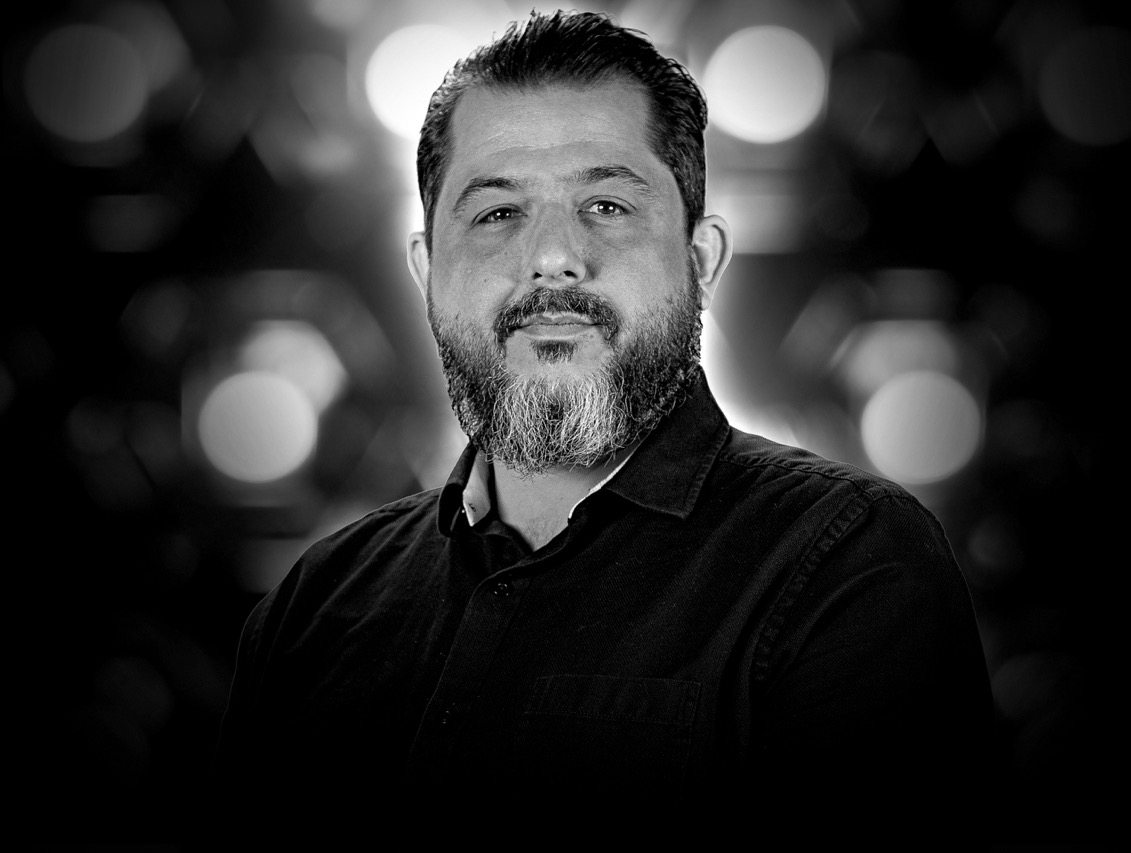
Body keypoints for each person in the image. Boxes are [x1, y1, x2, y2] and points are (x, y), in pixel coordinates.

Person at [213, 9, 993, 843]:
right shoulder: (313, 605)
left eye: (608, 204)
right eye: (497, 213)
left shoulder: (852, 562)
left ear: (701, 262)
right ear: (426, 271)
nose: (553, 256)